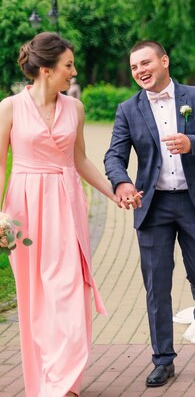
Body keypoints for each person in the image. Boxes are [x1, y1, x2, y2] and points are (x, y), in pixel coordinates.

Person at [0, 32, 121, 397]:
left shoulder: (75, 109)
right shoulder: (9, 107)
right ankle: (48, 379)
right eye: (68, 65)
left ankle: (65, 383)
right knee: (37, 297)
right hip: (23, 211)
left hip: (66, 205)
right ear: (46, 69)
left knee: (69, 292)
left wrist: (113, 192)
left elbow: (80, 159)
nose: (74, 71)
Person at [104, 40, 195, 386]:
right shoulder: (128, 109)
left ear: (164, 61)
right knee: (156, 285)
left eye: (145, 63)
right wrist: (122, 183)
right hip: (153, 206)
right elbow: (113, 156)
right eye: (134, 67)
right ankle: (163, 359)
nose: (140, 71)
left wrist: (194, 144)